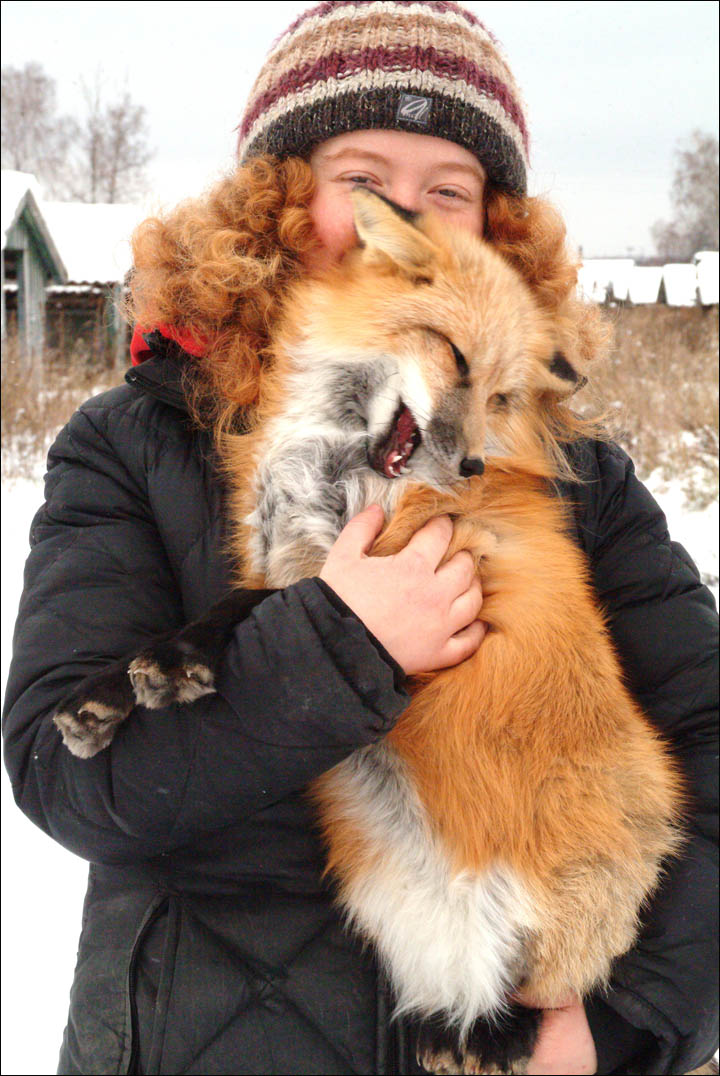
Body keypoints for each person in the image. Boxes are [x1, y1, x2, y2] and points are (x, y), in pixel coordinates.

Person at [2, 3, 717, 1074]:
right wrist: (340, 647)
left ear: (494, 228)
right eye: (366, 178)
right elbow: (66, 770)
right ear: (283, 201)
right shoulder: (138, 443)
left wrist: (622, 1023)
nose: (410, 215)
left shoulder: (578, 476)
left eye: (452, 189)